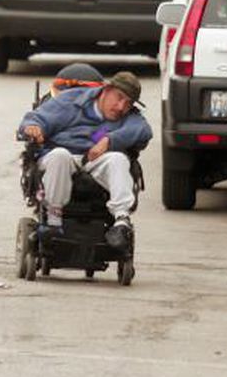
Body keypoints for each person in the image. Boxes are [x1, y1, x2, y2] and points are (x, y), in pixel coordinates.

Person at [18, 71, 152, 249]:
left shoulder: (129, 117)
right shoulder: (71, 100)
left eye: (128, 104)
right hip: (61, 154)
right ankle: (53, 219)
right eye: (119, 98)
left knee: (118, 159)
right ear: (106, 89)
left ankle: (121, 221)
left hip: (95, 159)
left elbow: (144, 130)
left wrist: (109, 140)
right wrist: (32, 128)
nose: (121, 107)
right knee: (60, 156)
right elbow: (35, 118)